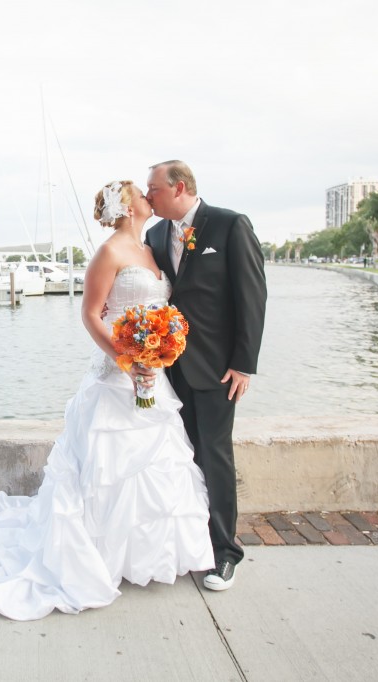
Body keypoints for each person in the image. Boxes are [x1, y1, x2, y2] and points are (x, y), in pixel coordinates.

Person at [0, 180, 214, 620]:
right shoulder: (110, 253)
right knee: (107, 469)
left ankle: (139, 554)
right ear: (126, 205)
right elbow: (90, 314)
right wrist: (127, 359)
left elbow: (155, 310)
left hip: (151, 376)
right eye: (141, 193)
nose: (148, 196)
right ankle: (97, 554)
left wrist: (156, 352)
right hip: (117, 376)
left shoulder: (150, 251)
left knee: (154, 465)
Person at [143, 160, 267, 591]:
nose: (148, 196)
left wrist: (243, 363)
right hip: (167, 370)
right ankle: (188, 543)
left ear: (178, 188)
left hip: (218, 369)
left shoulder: (230, 225)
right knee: (180, 456)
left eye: (153, 189)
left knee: (214, 456)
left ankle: (225, 554)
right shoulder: (156, 235)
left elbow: (251, 295)